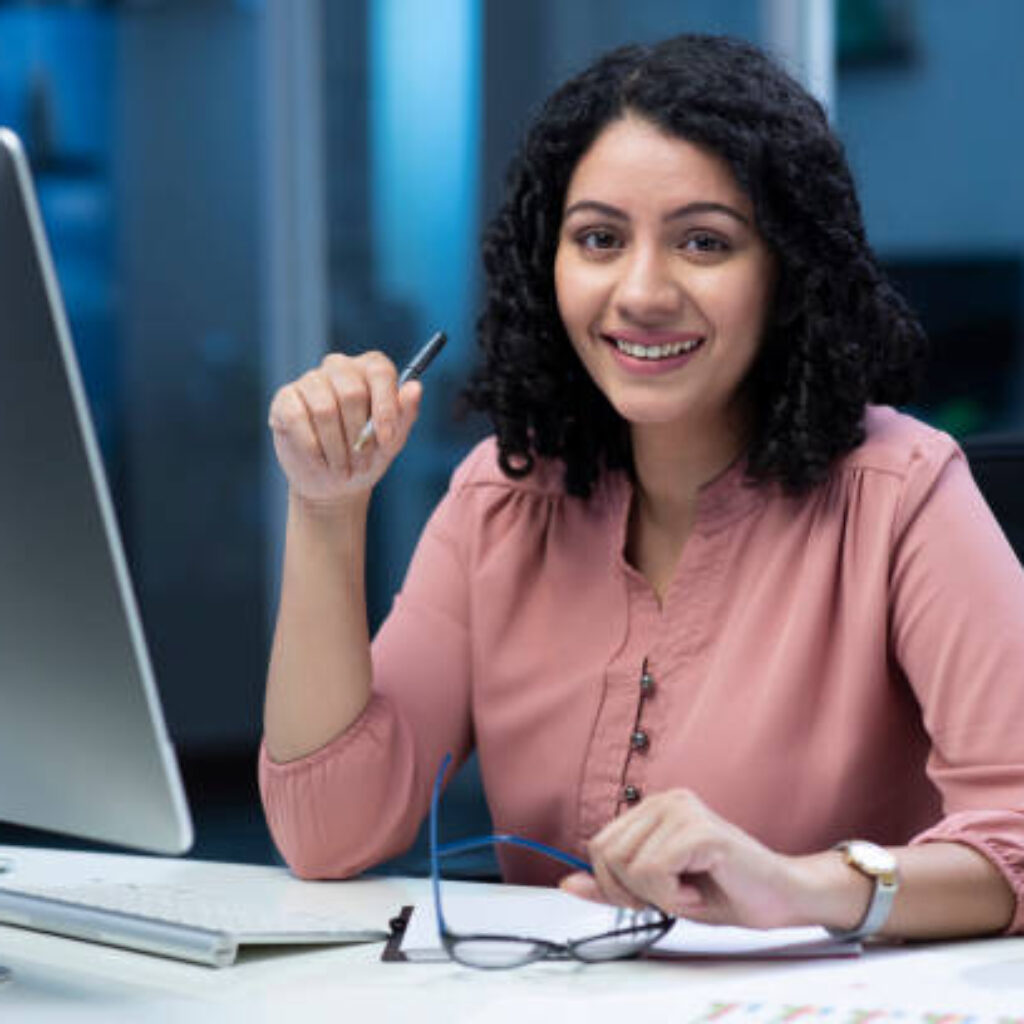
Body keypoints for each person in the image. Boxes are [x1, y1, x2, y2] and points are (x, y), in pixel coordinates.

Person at [260, 33, 1024, 940]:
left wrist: (802, 886)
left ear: (786, 272)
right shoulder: (501, 498)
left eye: (704, 242)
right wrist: (325, 510)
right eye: (599, 239)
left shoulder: (902, 493)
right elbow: (327, 833)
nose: (642, 291)